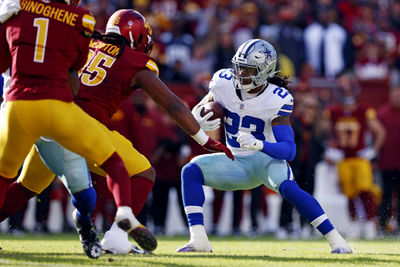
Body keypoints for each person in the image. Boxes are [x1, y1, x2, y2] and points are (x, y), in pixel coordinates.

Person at [0, 8, 233, 255]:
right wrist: (203, 138)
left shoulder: (88, 40)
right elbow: (173, 104)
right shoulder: (136, 62)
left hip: (49, 116)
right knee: (143, 172)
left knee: (26, 185)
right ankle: (116, 238)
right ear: (139, 38)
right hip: (83, 125)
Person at [0, 0, 158, 258]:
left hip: (21, 107)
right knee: (123, 172)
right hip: (65, 115)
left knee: (19, 183)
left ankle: (93, 227)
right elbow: (73, 76)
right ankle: (112, 233)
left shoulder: (21, 11)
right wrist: (200, 136)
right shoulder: (82, 21)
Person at [177, 39, 352, 254]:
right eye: (238, 67)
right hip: (234, 160)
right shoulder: (223, 82)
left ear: (264, 71)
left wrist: (260, 144)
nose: (240, 73)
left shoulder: (276, 99)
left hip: (265, 161)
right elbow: (206, 103)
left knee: (289, 188)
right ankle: (199, 240)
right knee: (190, 171)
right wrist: (197, 116)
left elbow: (289, 150)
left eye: (248, 69)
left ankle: (336, 240)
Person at [323, 73, 386, 239]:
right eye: (343, 91)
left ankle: (371, 223)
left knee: (365, 190)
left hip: (359, 158)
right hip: (343, 159)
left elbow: (380, 132)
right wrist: (328, 148)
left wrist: (373, 150)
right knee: (349, 194)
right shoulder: (333, 110)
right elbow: (322, 131)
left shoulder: (364, 110)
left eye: (349, 90)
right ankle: (354, 224)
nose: (346, 94)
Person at [377, 87, 400, 235]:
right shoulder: (382, 112)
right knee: (385, 193)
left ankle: (397, 224)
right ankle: (382, 223)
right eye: (394, 95)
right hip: (386, 162)